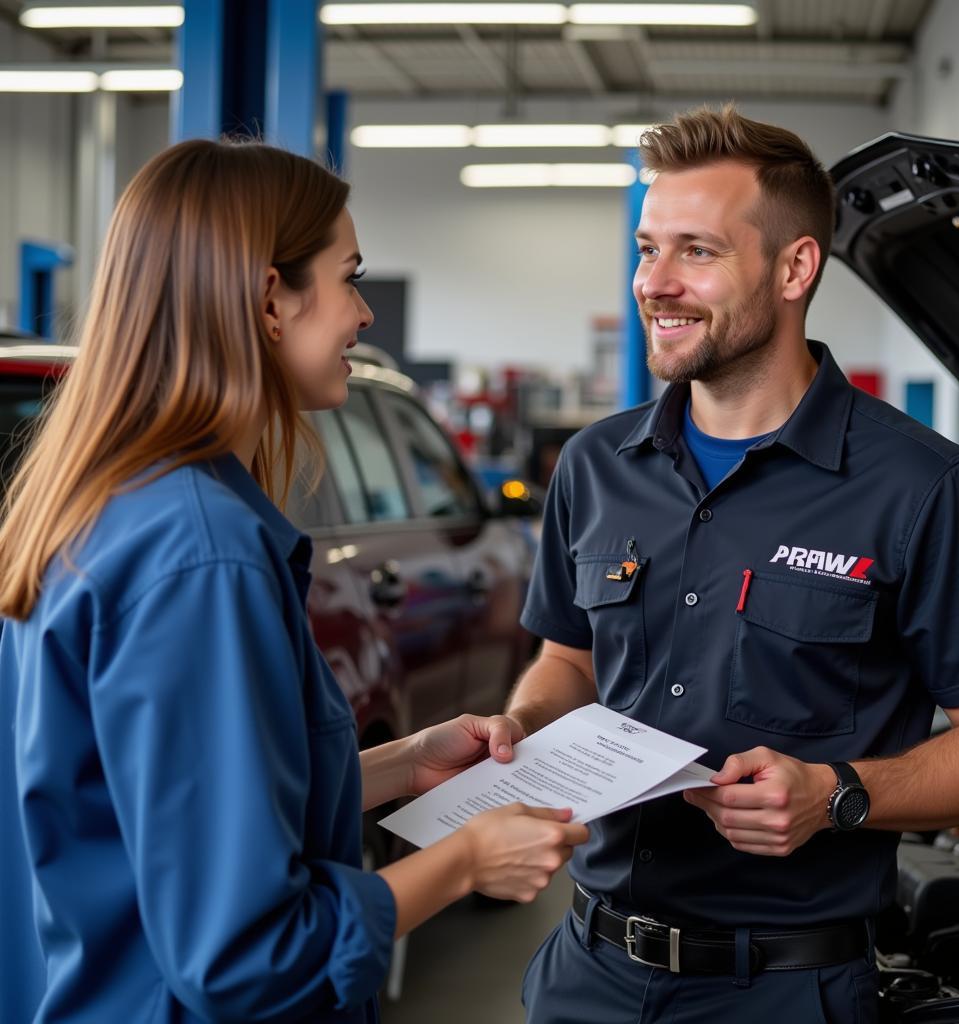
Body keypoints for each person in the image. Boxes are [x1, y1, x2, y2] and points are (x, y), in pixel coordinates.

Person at [0, 139, 588, 1024]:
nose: (362, 314)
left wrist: (397, 767)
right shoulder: (201, 556)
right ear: (270, 298)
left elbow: (169, 810)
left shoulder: (114, 508)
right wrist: (466, 862)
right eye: (349, 278)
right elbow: (246, 953)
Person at [508, 104, 959, 1024]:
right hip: (585, 971)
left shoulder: (924, 488)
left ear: (795, 268)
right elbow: (567, 661)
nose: (655, 284)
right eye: (645, 247)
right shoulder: (594, 467)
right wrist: (519, 743)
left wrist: (841, 796)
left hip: (785, 991)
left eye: (696, 252)